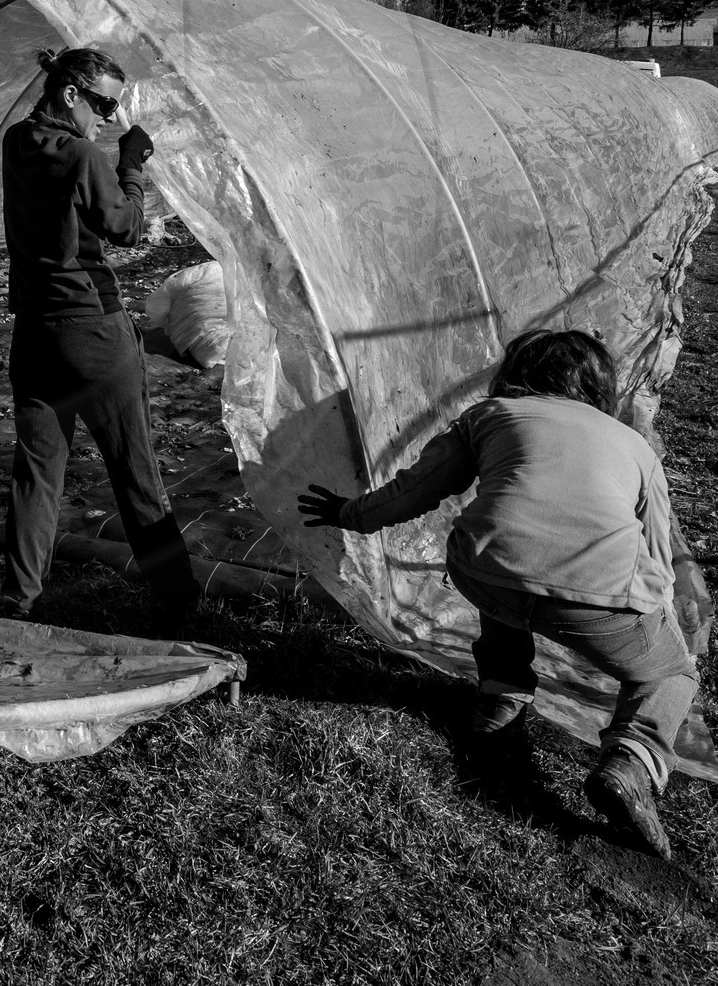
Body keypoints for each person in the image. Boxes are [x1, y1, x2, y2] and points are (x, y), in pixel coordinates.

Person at [298, 328, 697, 860]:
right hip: (599, 596)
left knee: (506, 574)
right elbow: (658, 549)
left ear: (515, 374)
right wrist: (659, 621)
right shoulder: (635, 445)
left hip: (486, 570)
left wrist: (349, 513)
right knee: (671, 672)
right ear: (602, 388)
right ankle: (633, 759)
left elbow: (417, 488)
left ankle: (500, 703)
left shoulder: (490, 415)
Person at [0, 46, 201, 633]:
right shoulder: (86, 154)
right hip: (93, 332)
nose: (110, 118)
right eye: (104, 104)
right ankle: (180, 599)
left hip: (35, 333)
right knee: (135, 472)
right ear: (70, 95)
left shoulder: (17, 141)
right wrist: (132, 163)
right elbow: (127, 227)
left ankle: (17, 598)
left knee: (36, 471)